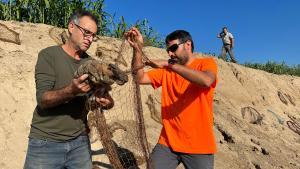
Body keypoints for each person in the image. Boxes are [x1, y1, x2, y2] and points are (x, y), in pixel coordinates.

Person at [24, 10, 114, 169]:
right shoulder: (48, 55)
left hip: (79, 143)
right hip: (45, 143)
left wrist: (105, 101)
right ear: (71, 27)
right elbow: (43, 100)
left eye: (94, 35)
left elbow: (95, 100)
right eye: (86, 32)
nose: (90, 39)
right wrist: (71, 90)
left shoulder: (91, 64)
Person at [125, 28, 218, 169]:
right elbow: (139, 78)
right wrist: (138, 49)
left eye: (174, 48)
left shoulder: (206, 63)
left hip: (199, 145)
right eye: (168, 50)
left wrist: (169, 65)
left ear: (188, 44)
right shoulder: (167, 71)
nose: (170, 53)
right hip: (168, 142)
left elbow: (206, 81)